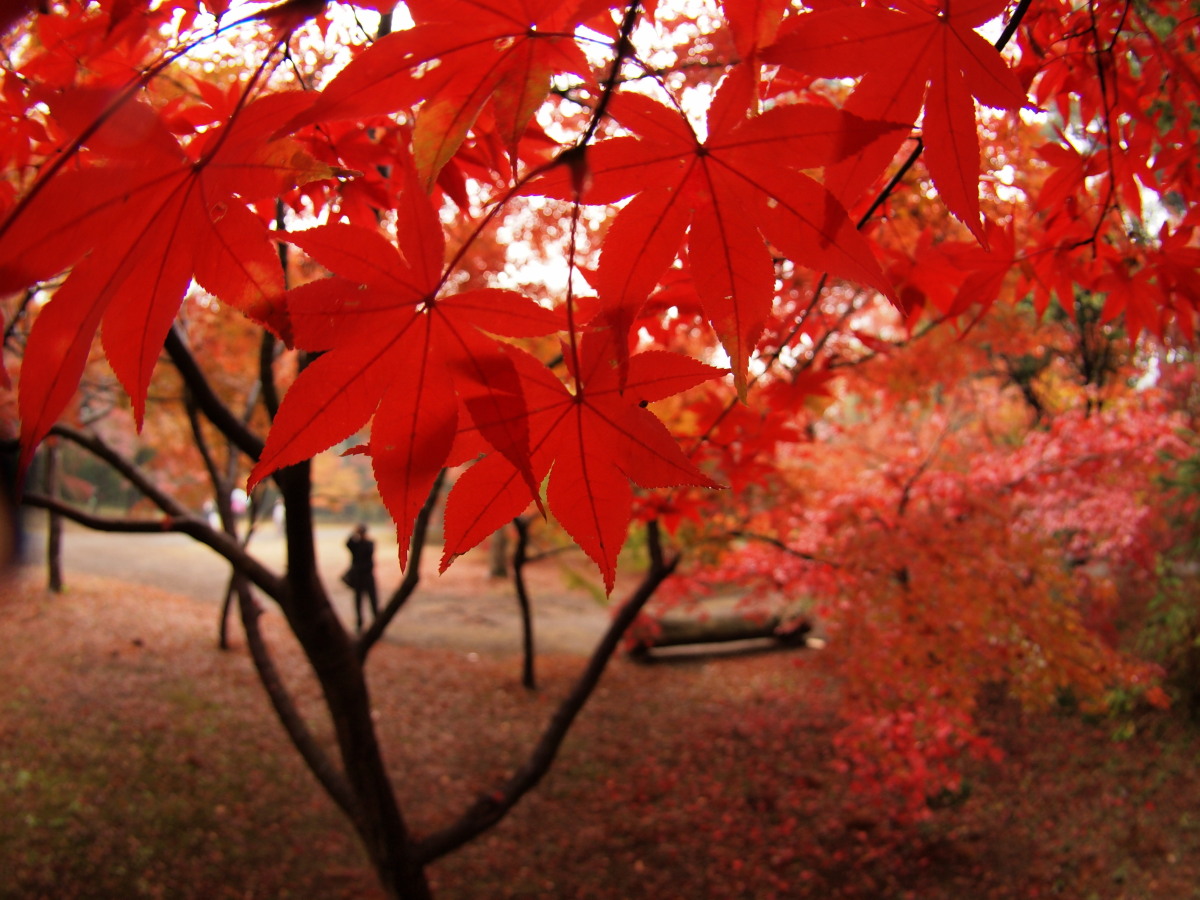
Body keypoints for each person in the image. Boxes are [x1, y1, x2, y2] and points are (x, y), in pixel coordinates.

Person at [344, 524, 378, 633]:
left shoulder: (368, 544)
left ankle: (376, 621)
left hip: (366, 575)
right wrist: (354, 533)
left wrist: (355, 534)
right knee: (359, 601)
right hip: (359, 576)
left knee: (372, 600)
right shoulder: (357, 545)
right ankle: (360, 623)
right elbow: (347, 543)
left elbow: (368, 551)